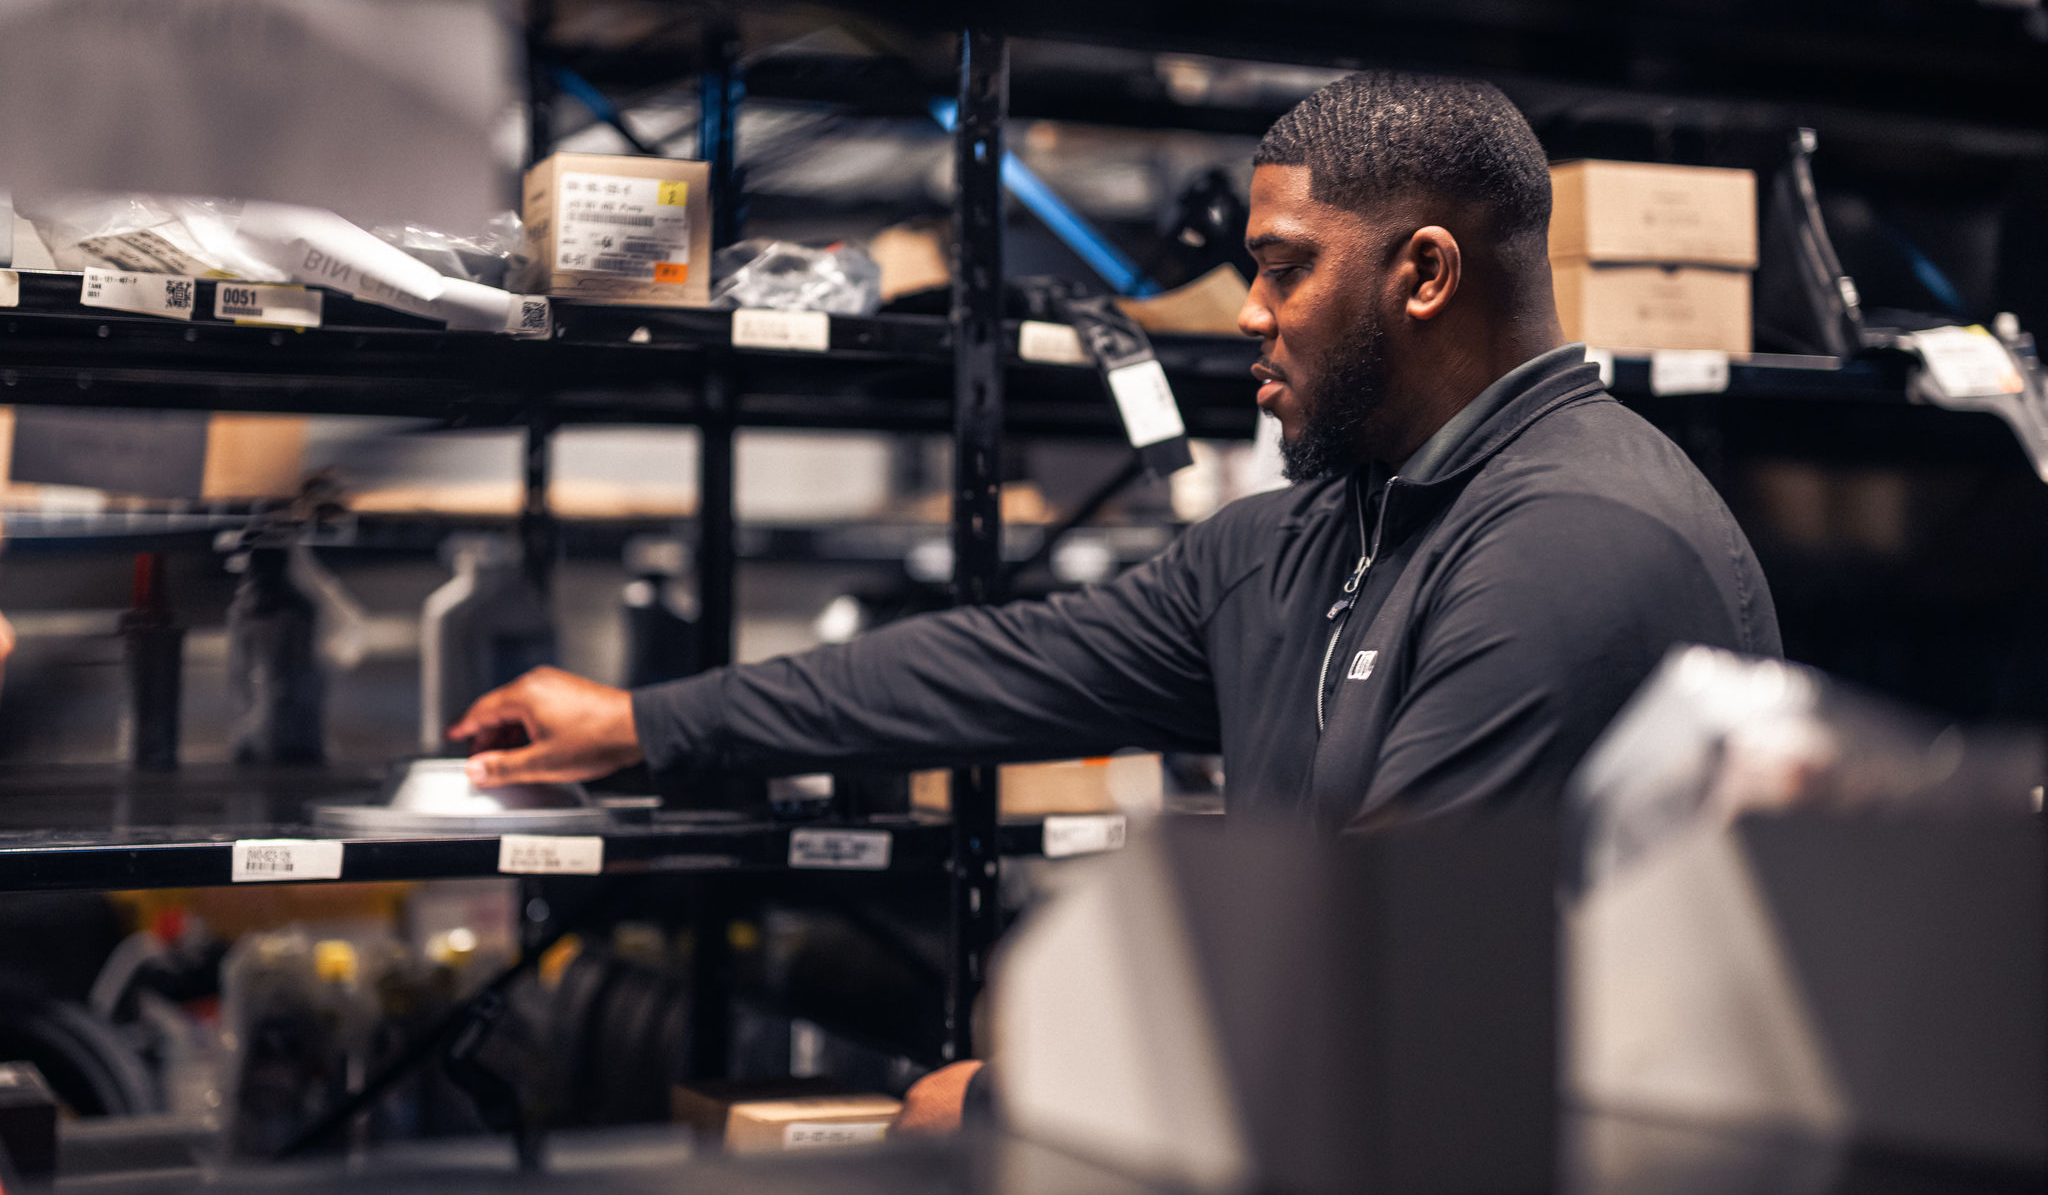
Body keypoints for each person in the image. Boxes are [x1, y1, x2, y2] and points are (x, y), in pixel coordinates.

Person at [450, 71, 1780, 1119]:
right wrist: (644, 721)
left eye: (1285, 267)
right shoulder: (1318, 535)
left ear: (1424, 275)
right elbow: (986, 667)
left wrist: (1022, 1100)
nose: (1251, 312)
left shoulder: (1574, 545)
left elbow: (1380, 968)